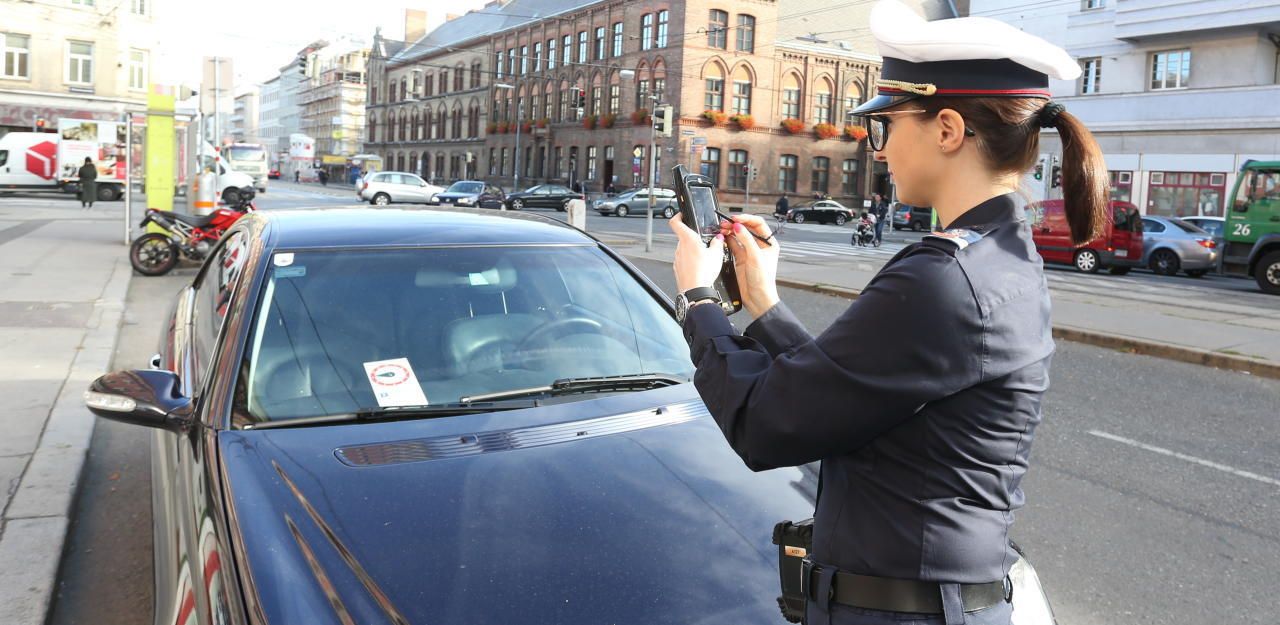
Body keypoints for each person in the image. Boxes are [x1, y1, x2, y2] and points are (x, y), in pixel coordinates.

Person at [668, 2, 1106, 624]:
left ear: (948, 129)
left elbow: (765, 422)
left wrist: (698, 299)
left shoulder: (944, 278)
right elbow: (849, 388)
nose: (877, 149)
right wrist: (762, 302)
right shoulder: (997, 256)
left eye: (885, 126)